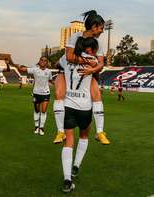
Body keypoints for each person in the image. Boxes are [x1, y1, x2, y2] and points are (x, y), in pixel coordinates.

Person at [53, 10, 110, 145]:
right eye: (101, 28)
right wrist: (88, 62)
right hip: (64, 68)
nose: (102, 31)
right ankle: (60, 131)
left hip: (86, 70)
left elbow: (101, 64)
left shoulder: (98, 43)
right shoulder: (75, 36)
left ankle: (100, 132)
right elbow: (69, 57)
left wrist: (92, 69)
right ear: (94, 26)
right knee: (59, 94)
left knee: (97, 95)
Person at [59, 37, 99, 193]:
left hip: (68, 105)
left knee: (68, 140)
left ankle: (67, 180)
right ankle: (76, 166)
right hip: (84, 106)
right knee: (83, 136)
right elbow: (98, 67)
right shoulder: (92, 59)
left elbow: (59, 65)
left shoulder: (65, 58)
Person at [7, 57, 53, 136]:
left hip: (46, 93)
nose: (43, 61)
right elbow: (22, 69)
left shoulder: (49, 72)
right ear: (39, 61)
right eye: (41, 60)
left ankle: (41, 127)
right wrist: (12, 62)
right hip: (36, 93)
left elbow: (51, 80)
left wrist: (59, 86)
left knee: (44, 111)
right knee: (37, 110)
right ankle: (36, 126)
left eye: (45, 60)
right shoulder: (34, 69)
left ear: (47, 63)